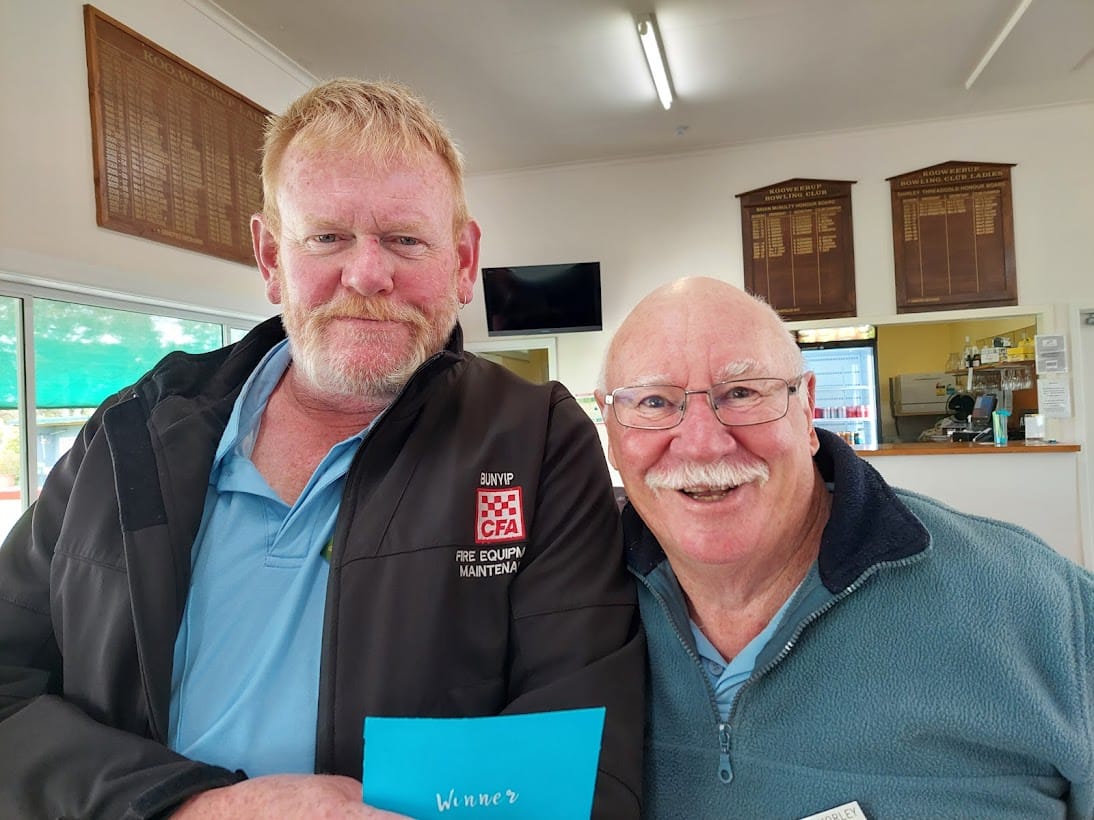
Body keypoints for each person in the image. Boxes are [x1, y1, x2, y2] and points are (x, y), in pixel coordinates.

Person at [0, 79, 643, 819]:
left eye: (405, 238)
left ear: (464, 262)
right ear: (271, 255)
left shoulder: (535, 442)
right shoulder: (127, 436)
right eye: (328, 237)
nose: (368, 274)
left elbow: (582, 761)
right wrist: (187, 808)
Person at [597, 276, 1093, 818]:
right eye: (653, 401)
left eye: (741, 393)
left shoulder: (1044, 610)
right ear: (612, 431)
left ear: (807, 409)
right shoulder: (561, 610)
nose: (703, 442)